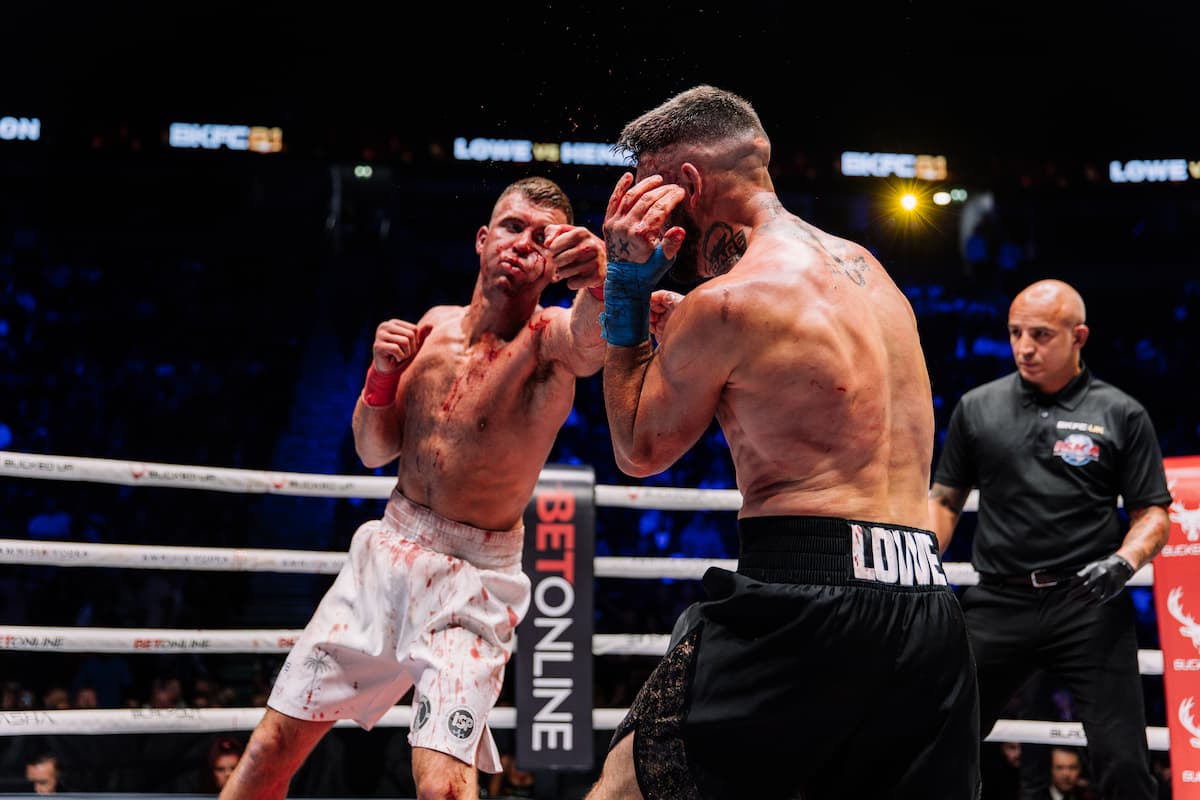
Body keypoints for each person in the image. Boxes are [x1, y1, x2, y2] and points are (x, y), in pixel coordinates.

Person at [585, 84, 980, 799]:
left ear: (690, 185)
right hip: (926, 603)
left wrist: (626, 295)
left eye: (651, 196)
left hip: (803, 604)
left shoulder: (728, 303)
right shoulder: (873, 273)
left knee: (623, 787)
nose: (651, 225)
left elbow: (639, 450)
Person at [219, 176, 607, 800]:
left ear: (554, 261)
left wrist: (602, 277)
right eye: (512, 227)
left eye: (543, 238)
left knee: (443, 789)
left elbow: (593, 342)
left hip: (471, 583)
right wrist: (380, 375)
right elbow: (374, 449)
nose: (523, 244)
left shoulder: (549, 342)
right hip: (385, 553)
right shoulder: (433, 327)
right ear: (482, 239)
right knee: (267, 754)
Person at [928, 278, 1171, 799]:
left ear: (1078, 337)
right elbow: (945, 500)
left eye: (1040, 334)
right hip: (998, 600)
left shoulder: (1121, 413)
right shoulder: (977, 407)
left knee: (1124, 763)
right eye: (1015, 333)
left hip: (1088, 603)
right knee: (938, 739)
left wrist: (1124, 562)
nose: (1024, 347)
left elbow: (1152, 512)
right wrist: (921, 566)